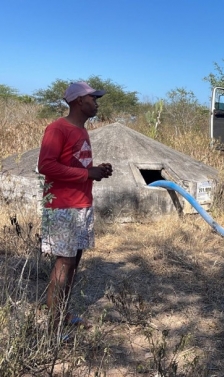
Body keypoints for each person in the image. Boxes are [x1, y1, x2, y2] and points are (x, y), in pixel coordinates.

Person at [38, 82, 113, 336]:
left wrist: (96, 172)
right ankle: (53, 328)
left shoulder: (81, 131)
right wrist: (86, 173)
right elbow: (46, 166)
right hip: (63, 206)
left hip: (81, 204)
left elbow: (77, 166)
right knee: (64, 263)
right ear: (80, 101)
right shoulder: (58, 129)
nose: (97, 102)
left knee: (73, 262)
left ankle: (62, 314)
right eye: (94, 98)